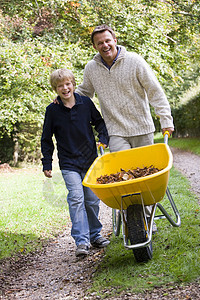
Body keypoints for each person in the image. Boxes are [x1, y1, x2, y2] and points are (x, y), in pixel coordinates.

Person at [75, 24, 175, 232]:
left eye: (107, 40)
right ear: (95, 46)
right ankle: (134, 220)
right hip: (116, 131)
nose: (105, 45)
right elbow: (84, 93)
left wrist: (166, 119)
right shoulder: (91, 69)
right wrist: (64, 99)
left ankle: (147, 220)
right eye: (99, 43)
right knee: (123, 179)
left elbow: (155, 91)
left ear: (115, 40)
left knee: (146, 177)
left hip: (142, 128)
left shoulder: (135, 61)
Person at [41, 68, 110, 257]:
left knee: (92, 200)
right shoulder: (52, 110)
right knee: (76, 199)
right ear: (55, 89)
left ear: (73, 84)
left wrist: (103, 138)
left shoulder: (85, 103)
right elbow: (46, 138)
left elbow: (100, 123)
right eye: (60, 86)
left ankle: (95, 235)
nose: (65, 88)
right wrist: (47, 163)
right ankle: (81, 241)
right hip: (69, 163)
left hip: (90, 161)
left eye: (67, 84)